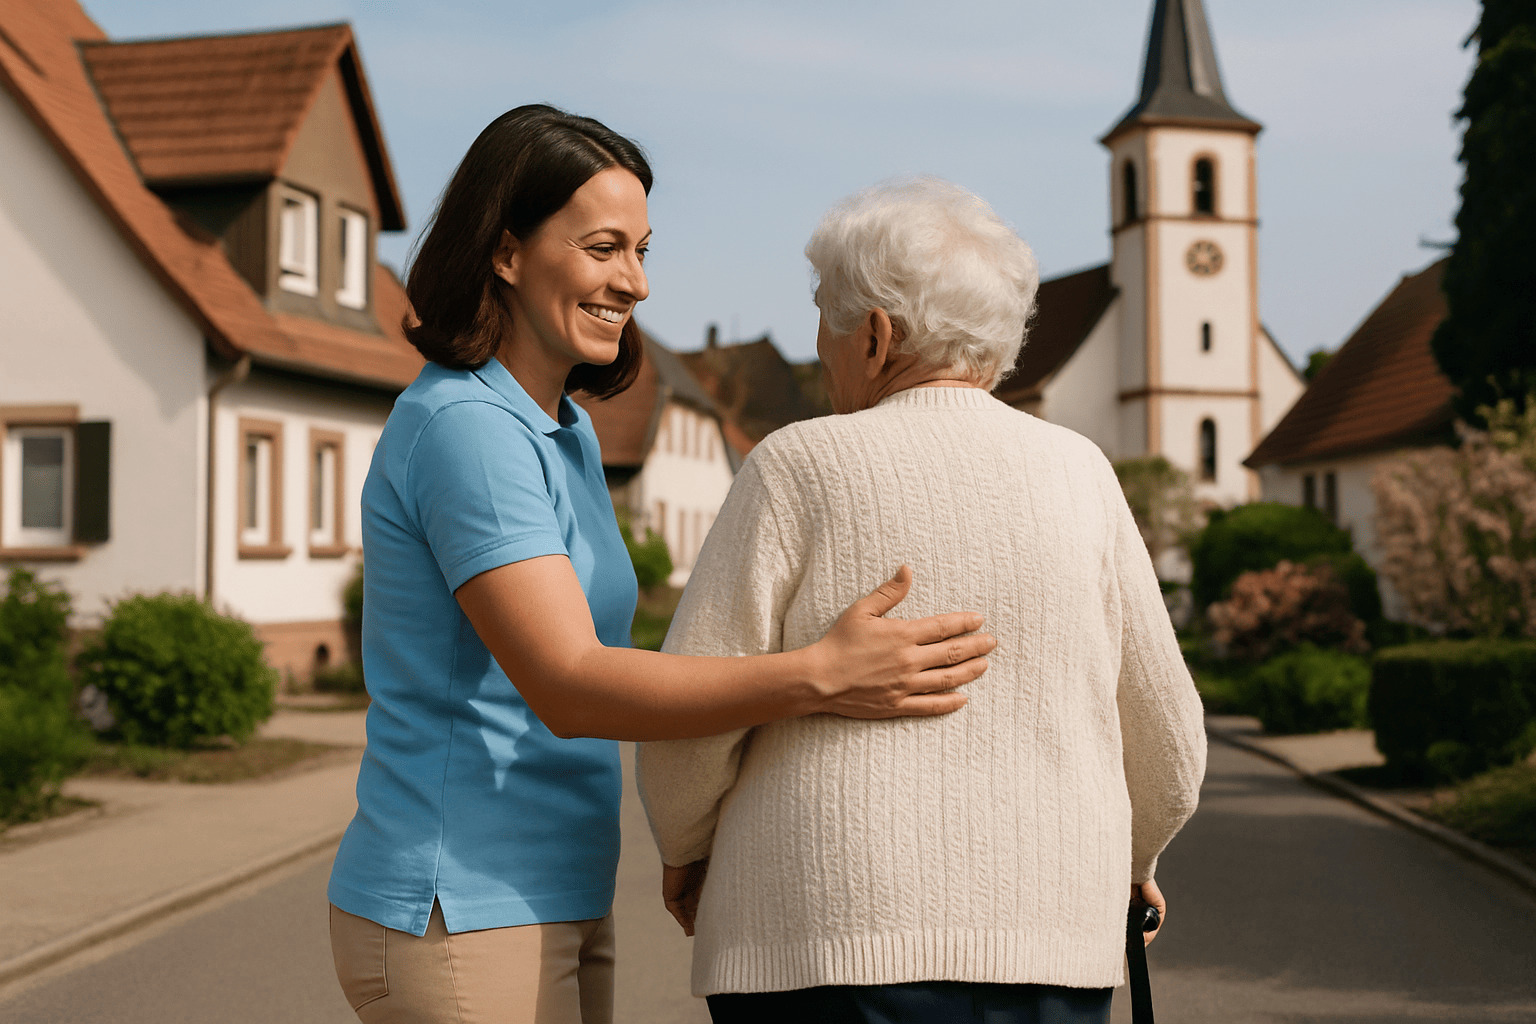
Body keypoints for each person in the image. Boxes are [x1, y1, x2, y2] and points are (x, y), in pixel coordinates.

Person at [323, 110, 999, 1024]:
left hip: (551, 887)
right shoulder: (467, 430)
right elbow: (570, 684)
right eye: (603, 247)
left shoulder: (560, 430)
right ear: (507, 252)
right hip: (461, 901)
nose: (633, 281)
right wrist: (818, 676)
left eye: (641, 250)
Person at [638, 177, 1208, 1024]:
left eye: (825, 321)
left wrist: (682, 848)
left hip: (819, 945)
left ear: (873, 336)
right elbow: (1169, 741)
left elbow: (694, 713)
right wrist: (1136, 854)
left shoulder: (798, 465)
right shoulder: (1081, 472)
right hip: (1050, 951)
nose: (821, 348)